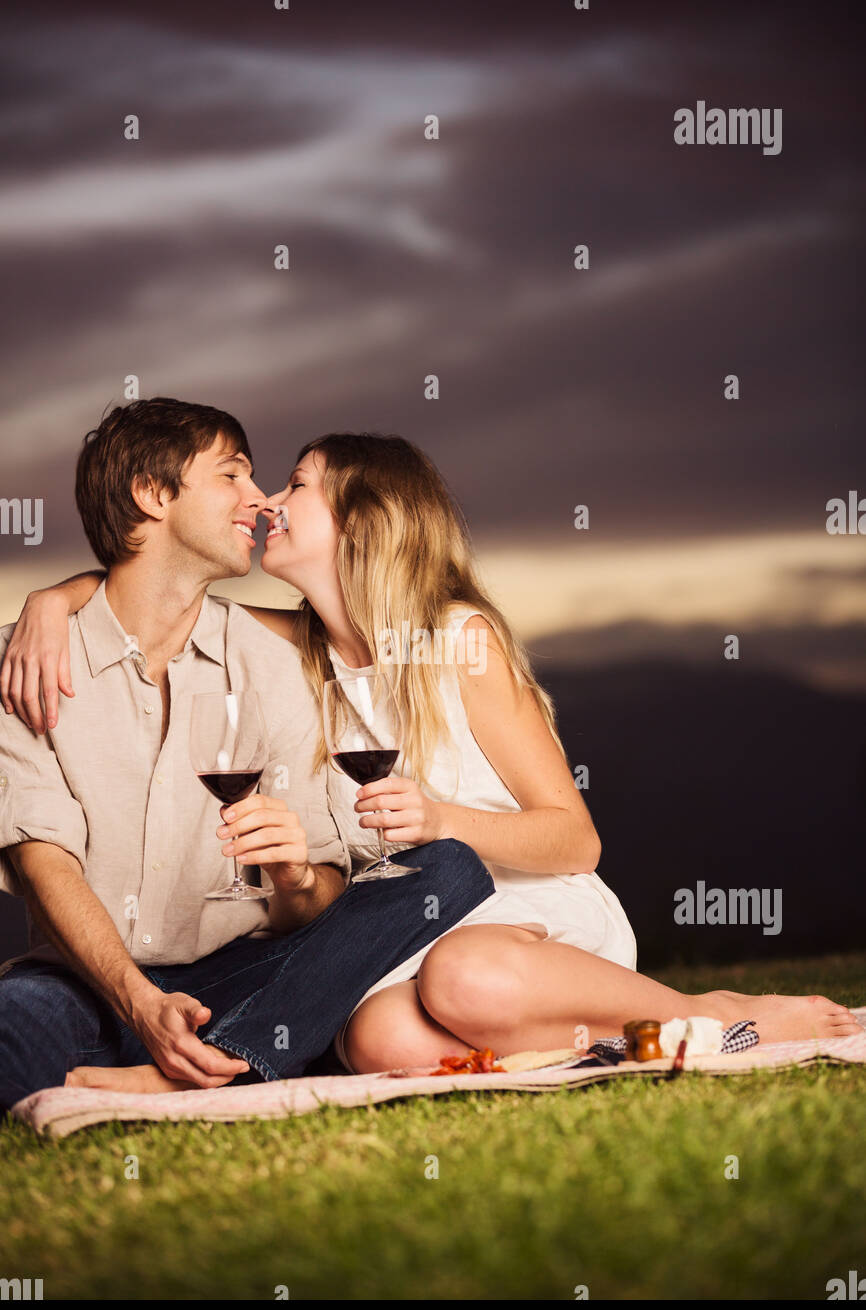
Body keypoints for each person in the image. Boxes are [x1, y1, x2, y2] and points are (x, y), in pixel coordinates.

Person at [4, 427, 862, 1079]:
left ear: (360, 522)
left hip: (519, 911)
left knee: (467, 980)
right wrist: (52, 598)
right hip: (396, 929)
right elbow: (157, 596)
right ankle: (598, 1054)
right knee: (383, 1040)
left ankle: (703, 1011)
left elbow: (577, 840)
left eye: (294, 485)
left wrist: (443, 819)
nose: (267, 501)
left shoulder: (458, 639)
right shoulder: (295, 648)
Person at [0, 400, 495, 1110]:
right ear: (153, 493)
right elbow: (44, 860)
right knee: (14, 1023)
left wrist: (296, 874)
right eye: (232, 476)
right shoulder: (27, 660)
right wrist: (142, 1004)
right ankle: (241, 1064)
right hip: (90, 984)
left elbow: (319, 899)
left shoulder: (274, 662)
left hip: (249, 976)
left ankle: (226, 1062)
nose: (260, 501)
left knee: (442, 867)